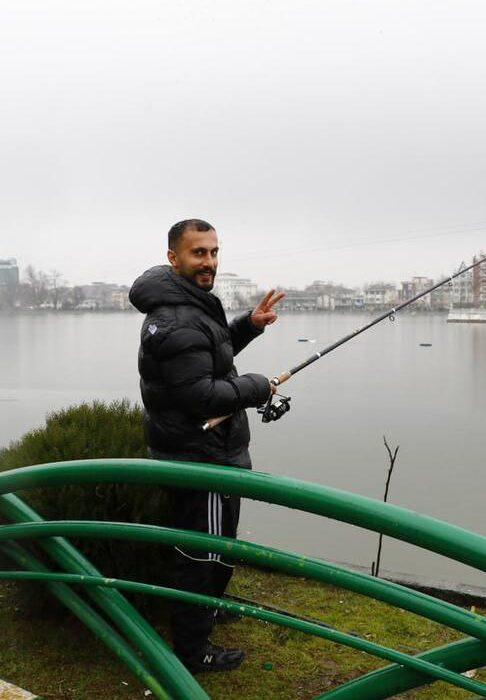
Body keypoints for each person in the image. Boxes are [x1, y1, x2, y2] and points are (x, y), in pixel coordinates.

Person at [129, 218, 285, 673]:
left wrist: (248, 326)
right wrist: (259, 386)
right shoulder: (177, 317)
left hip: (202, 451)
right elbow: (201, 397)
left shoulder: (188, 306)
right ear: (173, 258)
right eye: (199, 253)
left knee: (212, 548)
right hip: (204, 457)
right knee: (204, 554)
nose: (210, 262)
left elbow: (208, 353)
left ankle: (207, 610)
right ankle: (193, 652)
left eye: (215, 252)